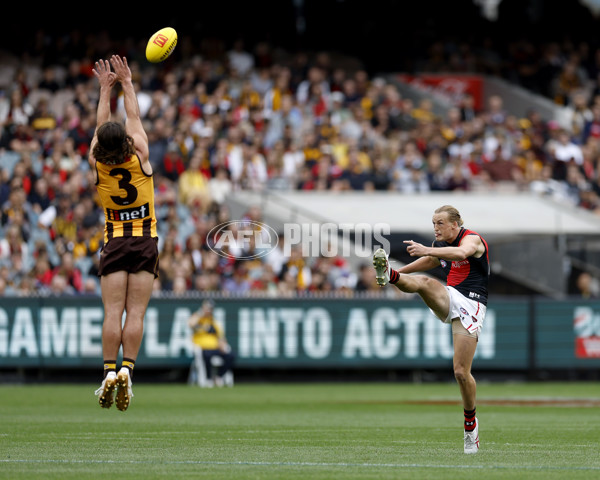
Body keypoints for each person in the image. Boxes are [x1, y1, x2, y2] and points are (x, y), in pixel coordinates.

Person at [372, 205, 489, 454]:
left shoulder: (472, 239)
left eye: (440, 223)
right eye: (433, 223)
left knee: (460, 372)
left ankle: (471, 426)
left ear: (455, 225)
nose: (435, 228)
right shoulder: (439, 246)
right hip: (450, 296)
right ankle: (390, 275)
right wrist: (399, 270)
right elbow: (430, 261)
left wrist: (426, 249)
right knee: (425, 283)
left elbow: (461, 254)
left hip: (472, 303)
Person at [91, 56, 159, 411]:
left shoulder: (97, 161)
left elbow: (102, 127)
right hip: (145, 240)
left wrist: (105, 90)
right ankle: (127, 371)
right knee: (136, 313)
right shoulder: (141, 155)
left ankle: (107, 371)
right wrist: (127, 84)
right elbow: (133, 118)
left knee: (112, 311)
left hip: (115, 239)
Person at [188, 300, 235, 387]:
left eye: (211, 308)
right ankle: (208, 379)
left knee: (231, 355)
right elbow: (190, 323)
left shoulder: (214, 321)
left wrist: (222, 344)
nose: (209, 310)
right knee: (207, 355)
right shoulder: (198, 319)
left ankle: (219, 377)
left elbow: (221, 336)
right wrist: (201, 313)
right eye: (207, 308)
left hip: (215, 347)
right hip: (202, 348)